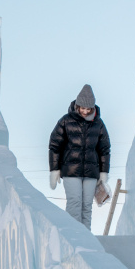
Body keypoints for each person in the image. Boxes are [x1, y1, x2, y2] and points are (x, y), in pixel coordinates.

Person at [48, 84, 111, 230]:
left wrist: (103, 171)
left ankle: (86, 239)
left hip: (91, 172)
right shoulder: (65, 121)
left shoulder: (99, 124)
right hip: (70, 170)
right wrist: (54, 169)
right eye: (83, 108)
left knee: (86, 206)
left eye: (89, 109)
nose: (85, 111)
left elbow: (104, 149)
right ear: (77, 105)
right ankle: (73, 237)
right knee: (74, 202)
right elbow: (54, 145)